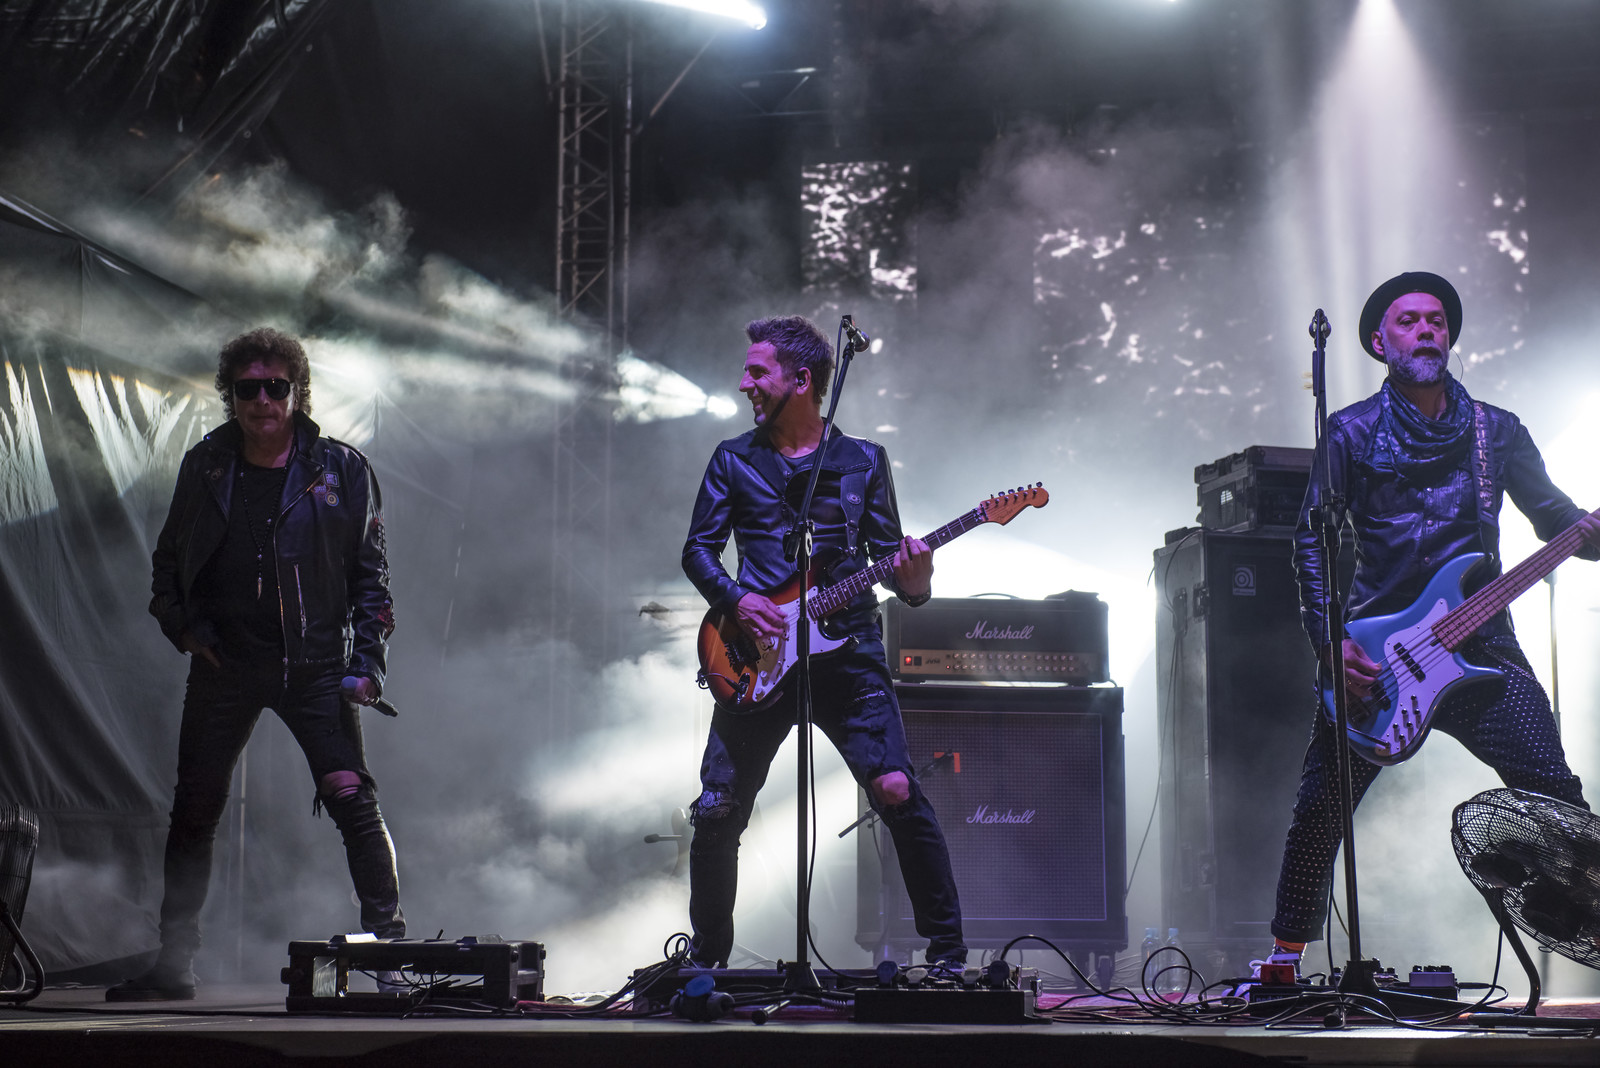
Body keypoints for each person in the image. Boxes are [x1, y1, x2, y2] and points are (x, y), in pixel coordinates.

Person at [1265, 272, 1600, 971]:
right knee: (1321, 809)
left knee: (1559, 803)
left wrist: (1588, 531)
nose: (1426, 330)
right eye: (1410, 321)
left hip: (1484, 646)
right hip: (1378, 655)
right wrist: (1329, 644)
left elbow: (1558, 521)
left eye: (1437, 321)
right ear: (1380, 342)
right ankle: (1283, 960)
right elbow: (1310, 541)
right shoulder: (1350, 430)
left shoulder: (1497, 432)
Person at [108, 328, 404, 1000]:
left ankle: (390, 954)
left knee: (353, 801)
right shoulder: (207, 466)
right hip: (227, 667)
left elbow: (372, 578)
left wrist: (368, 664)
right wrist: (184, 629)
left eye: (276, 387)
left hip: (316, 669)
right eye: (249, 389)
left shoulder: (341, 469)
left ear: (298, 394)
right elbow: (167, 564)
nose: (263, 401)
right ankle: (174, 965)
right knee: (195, 809)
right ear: (231, 396)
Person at [681, 315, 965, 968]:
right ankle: (707, 962)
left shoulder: (864, 460)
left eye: (758, 371)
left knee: (895, 789)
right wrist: (737, 600)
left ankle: (949, 954)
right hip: (758, 653)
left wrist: (917, 582)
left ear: (801, 380)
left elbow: (895, 565)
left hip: (849, 653)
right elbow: (698, 551)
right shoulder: (733, 459)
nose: (745, 383)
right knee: (717, 809)